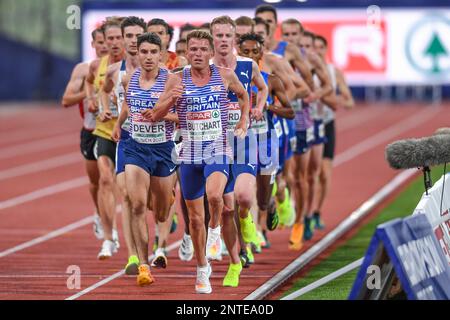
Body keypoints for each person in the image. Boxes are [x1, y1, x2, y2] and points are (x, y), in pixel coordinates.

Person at [151, 30, 249, 294]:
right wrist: (171, 99)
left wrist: (244, 119)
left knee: (215, 196)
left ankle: (215, 231)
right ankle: (202, 268)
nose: (197, 54)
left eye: (202, 49)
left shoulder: (225, 75)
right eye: (192, 49)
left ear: (210, 52)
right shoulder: (176, 79)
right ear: (186, 52)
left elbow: (243, 95)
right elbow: (156, 114)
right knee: (194, 220)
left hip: (217, 147)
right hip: (189, 153)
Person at [112, 32, 178, 286]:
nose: (148, 57)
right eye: (144, 52)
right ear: (137, 54)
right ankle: (143, 265)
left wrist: (161, 116)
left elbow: (183, 117)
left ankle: (167, 197)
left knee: (160, 214)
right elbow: (128, 106)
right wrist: (119, 124)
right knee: (137, 205)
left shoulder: (171, 80)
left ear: (161, 54)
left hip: (162, 149)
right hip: (134, 147)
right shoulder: (130, 78)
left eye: (153, 52)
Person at [210, 16, 268, 267]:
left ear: (234, 38)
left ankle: (247, 221)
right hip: (215, 143)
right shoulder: (205, 66)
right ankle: (240, 251)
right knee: (226, 205)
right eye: (218, 35)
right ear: (212, 38)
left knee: (244, 198)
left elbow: (263, 88)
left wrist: (258, 107)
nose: (223, 40)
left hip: (243, 140)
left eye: (227, 35)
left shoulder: (248, 65)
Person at [238, 32, 295, 259]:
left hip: (266, 143)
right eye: (245, 52)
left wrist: (269, 108)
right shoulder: (231, 78)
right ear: (238, 52)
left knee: (261, 200)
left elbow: (290, 112)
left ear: (262, 53)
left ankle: (270, 204)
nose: (250, 55)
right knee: (241, 194)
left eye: (255, 51)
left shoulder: (271, 81)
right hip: (241, 141)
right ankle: (246, 246)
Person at [100, 16, 146, 274]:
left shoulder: (160, 71)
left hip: (157, 141)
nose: (131, 41)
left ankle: (166, 217)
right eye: (127, 36)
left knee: (155, 205)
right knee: (128, 198)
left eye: (136, 35)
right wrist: (106, 109)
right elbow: (104, 89)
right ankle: (133, 257)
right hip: (128, 140)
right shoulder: (114, 71)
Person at [62, 26, 108, 241]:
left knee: (115, 180)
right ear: (93, 45)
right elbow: (66, 100)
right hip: (91, 130)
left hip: (114, 131)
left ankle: (112, 227)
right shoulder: (83, 69)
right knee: (96, 181)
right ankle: (99, 213)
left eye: (108, 41)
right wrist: (89, 93)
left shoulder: (120, 68)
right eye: (100, 42)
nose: (105, 46)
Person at [85, 18, 125, 259]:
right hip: (104, 131)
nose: (113, 42)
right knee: (105, 181)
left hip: (130, 135)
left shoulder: (132, 67)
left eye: (118, 37)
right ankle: (109, 238)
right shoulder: (96, 66)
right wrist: (92, 100)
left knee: (138, 195)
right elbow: (90, 83)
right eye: (109, 38)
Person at [312, 34, 354, 228]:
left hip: (326, 123)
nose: (317, 51)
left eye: (321, 47)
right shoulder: (304, 71)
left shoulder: (334, 73)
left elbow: (349, 102)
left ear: (326, 50)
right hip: (308, 124)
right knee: (307, 173)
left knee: (324, 173)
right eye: (314, 47)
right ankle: (302, 209)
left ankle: (317, 212)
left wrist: (330, 100)